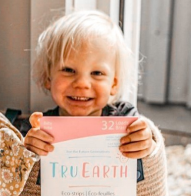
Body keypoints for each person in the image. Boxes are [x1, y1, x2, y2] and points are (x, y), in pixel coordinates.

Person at [20, 10, 157, 159]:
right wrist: (29, 148)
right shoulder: (39, 128)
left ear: (113, 84)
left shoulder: (125, 118)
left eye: (97, 73)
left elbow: (148, 156)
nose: (82, 84)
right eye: (68, 70)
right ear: (48, 78)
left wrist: (146, 144)